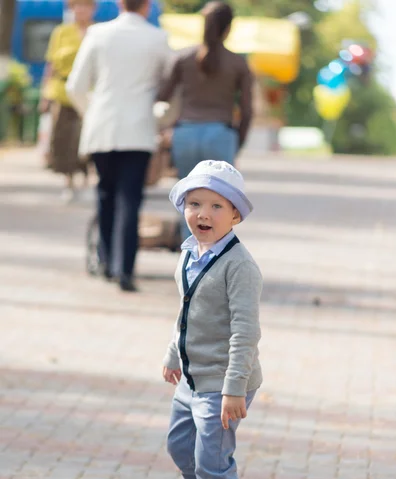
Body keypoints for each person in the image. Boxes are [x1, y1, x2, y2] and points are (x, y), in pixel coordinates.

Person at [163, 160, 263, 479]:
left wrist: (234, 388)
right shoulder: (190, 253)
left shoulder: (239, 266)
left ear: (235, 215)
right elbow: (186, 312)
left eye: (216, 206)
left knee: (212, 461)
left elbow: (245, 332)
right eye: (194, 203)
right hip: (191, 376)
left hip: (223, 383)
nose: (202, 214)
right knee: (180, 448)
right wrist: (173, 354)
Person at [66, 0, 170, 292]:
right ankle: (125, 269)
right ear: (147, 6)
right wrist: (164, 120)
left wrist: (92, 112)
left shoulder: (97, 34)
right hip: (139, 129)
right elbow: (171, 84)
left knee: (105, 193)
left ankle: (105, 261)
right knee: (130, 197)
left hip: (102, 126)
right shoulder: (158, 38)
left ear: (119, 4)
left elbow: (75, 86)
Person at [158, 1, 253, 240]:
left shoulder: (184, 58)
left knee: (190, 204)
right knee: (219, 208)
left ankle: (188, 261)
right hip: (221, 134)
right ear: (228, 28)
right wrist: (237, 141)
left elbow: (162, 97)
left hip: (186, 134)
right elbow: (247, 109)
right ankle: (215, 266)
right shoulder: (238, 64)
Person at [40, 0, 95, 202]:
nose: (80, 10)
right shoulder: (61, 32)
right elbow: (51, 64)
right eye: (77, 6)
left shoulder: (97, 32)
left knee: (85, 138)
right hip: (61, 92)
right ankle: (68, 181)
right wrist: (44, 95)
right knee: (63, 138)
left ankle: (87, 179)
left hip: (88, 94)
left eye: (85, 6)